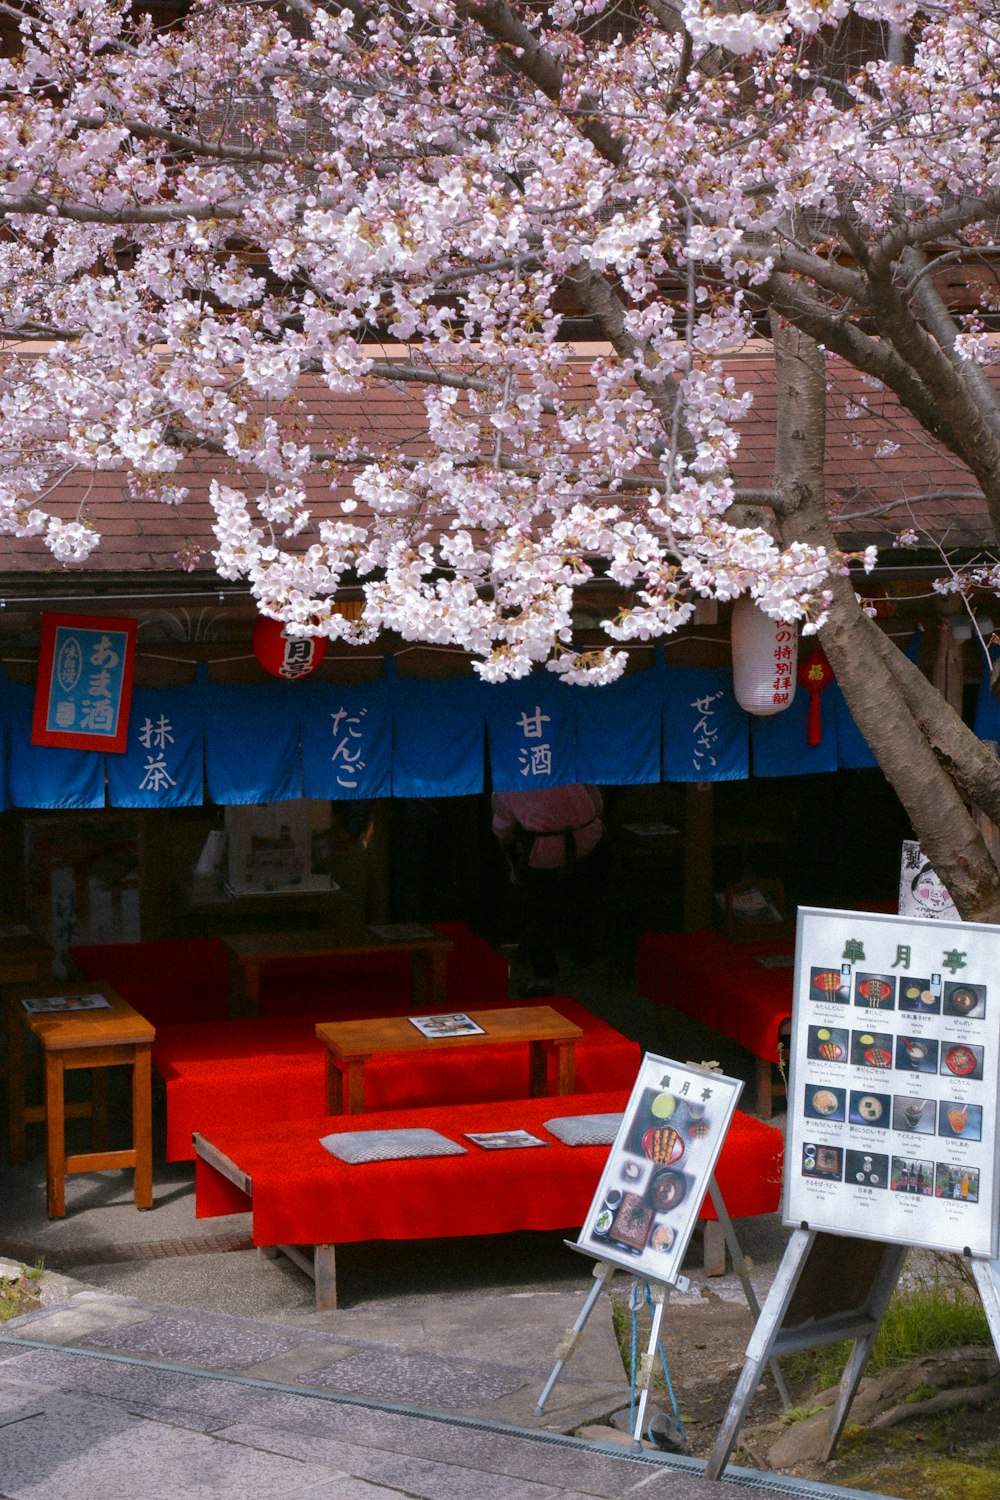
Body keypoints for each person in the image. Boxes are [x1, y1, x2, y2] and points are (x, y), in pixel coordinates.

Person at [491, 783, 605, 996]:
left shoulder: (512, 778)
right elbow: (597, 803)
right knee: (581, 903)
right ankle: (583, 956)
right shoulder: (566, 759)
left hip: (544, 853)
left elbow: (501, 829)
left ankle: (544, 976)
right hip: (588, 840)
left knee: (536, 912)